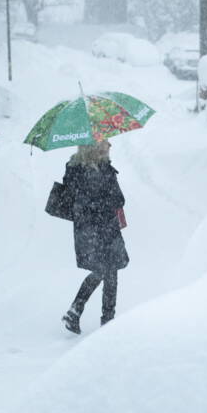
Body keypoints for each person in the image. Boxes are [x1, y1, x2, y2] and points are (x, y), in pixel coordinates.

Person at [61, 136, 128, 334]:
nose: (109, 145)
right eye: (105, 142)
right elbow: (118, 199)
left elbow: (71, 199)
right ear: (95, 147)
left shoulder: (75, 169)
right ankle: (106, 321)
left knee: (106, 271)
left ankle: (77, 311)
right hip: (102, 230)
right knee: (108, 271)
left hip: (89, 231)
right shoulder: (99, 171)